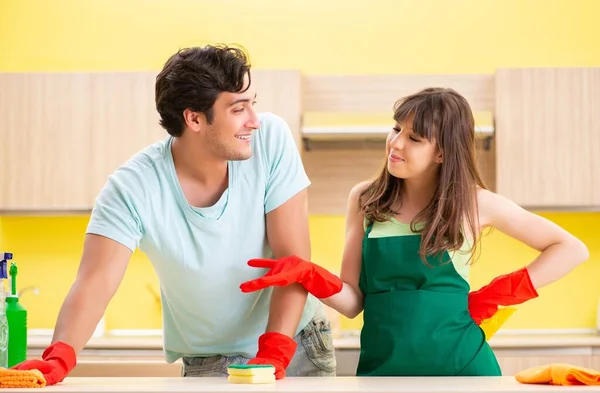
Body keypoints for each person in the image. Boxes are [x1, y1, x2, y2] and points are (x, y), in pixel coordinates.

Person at [12, 45, 336, 384]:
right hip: (208, 359)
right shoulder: (134, 185)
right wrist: (61, 355)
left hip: (293, 342)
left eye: (252, 104)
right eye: (239, 109)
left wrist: (275, 350)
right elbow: (96, 281)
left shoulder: (271, 140)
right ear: (194, 118)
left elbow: (293, 264)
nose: (254, 121)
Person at [240, 87, 590, 376]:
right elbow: (352, 303)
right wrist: (309, 275)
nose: (396, 144)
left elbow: (571, 248)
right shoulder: (365, 199)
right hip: (382, 373)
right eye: (396, 129)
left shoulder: (474, 203)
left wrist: (490, 298)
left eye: (415, 138)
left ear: (442, 153)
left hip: (463, 371)